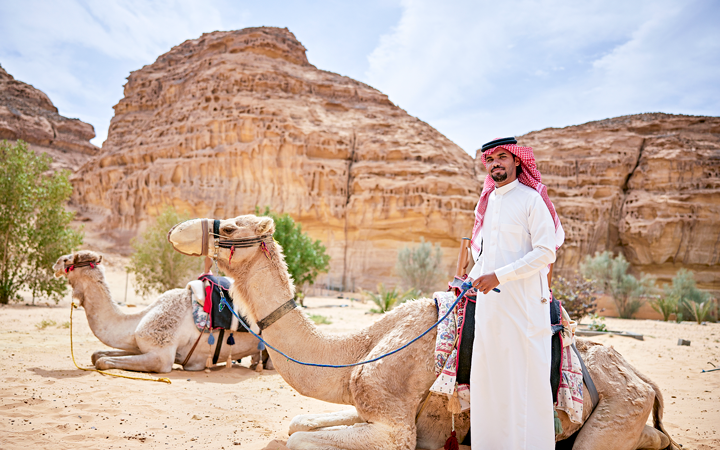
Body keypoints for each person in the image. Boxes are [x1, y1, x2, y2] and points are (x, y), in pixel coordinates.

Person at [467, 137, 564, 449]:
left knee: (523, 385)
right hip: (491, 309)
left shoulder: (530, 199)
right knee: (489, 382)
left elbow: (545, 252)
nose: (495, 163)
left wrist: (499, 276)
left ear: (517, 161)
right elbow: (487, 254)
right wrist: (472, 277)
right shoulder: (488, 202)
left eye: (502, 157)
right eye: (490, 159)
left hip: (523, 308)